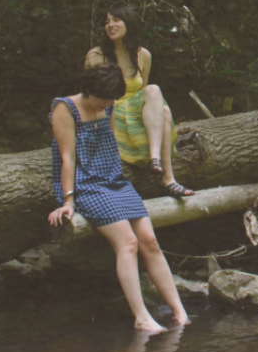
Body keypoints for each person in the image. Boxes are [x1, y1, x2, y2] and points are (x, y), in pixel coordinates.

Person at [48, 64, 189, 333]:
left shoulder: (109, 106)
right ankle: (141, 317)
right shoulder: (65, 109)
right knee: (128, 242)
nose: (109, 104)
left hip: (114, 180)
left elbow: (111, 140)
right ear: (89, 91)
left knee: (150, 241)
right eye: (105, 99)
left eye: (112, 99)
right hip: (85, 184)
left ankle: (179, 312)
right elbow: (67, 158)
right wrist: (67, 201)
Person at [84, 5, 195, 198]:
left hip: (134, 110)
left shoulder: (143, 55)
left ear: (129, 23)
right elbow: (87, 97)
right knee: (166, 113)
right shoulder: (96, 56)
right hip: (109, 111)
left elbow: (142, 93)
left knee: (153, 90)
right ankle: (168, 179)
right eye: (107, 22)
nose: (110, 25)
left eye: (116, 20)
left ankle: (155, 160)